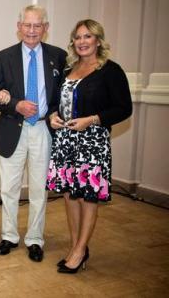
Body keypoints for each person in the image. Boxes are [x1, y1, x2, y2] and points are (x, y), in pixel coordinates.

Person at [47, 19, 132, 273]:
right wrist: (52, 115)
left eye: (87, 36)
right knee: (70, 195)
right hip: (65, 141)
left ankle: (80, 249)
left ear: (97, 40)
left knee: (88, 197)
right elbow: (56, 101)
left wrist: (92, 120)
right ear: (73, 41)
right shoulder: (67, 69)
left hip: (92, 142)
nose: (82, 41)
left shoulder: (110, 70)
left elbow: (123, 108)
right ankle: (76, 247)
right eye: (78, 37)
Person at [0, 5, 67, 262]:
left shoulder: (59, 56)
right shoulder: (4, 57)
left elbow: (61, 97)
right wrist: (16, 105)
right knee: (9, 188)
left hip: (44, 129)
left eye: (37, 26)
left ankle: (35, 239)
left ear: (45, 28)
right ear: (18, 26)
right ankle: (9, 236)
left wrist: (56, 113)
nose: (32, 31)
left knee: (38, 189)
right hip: (14, 129)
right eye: (27, 25)